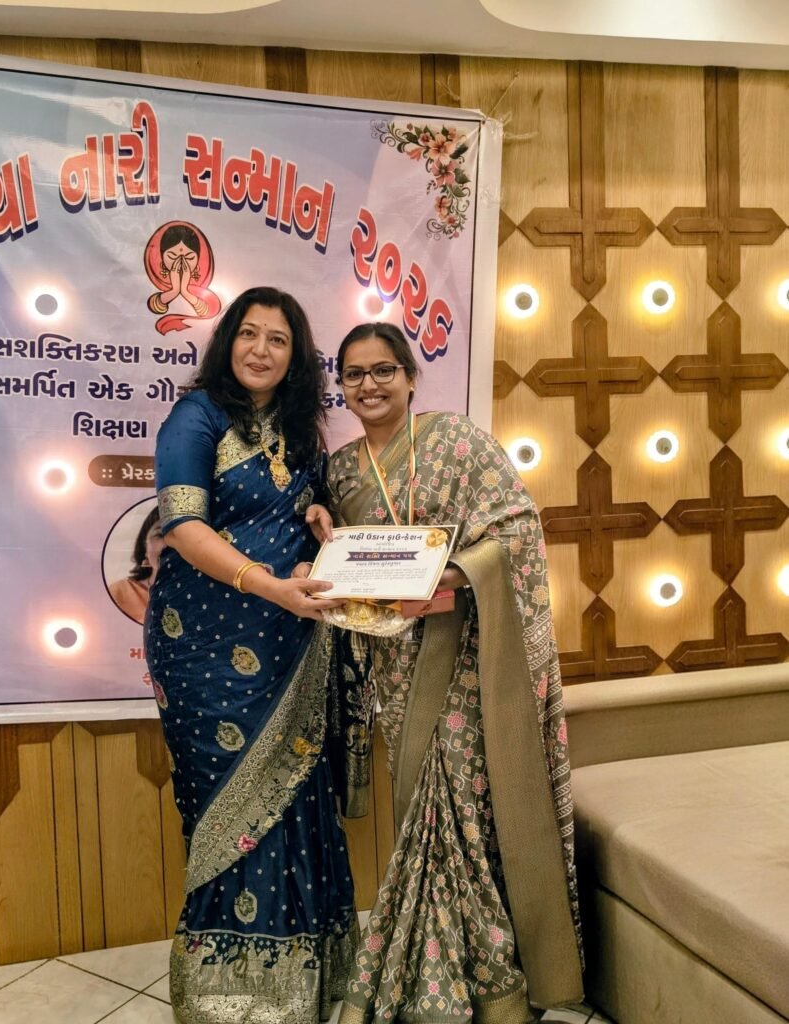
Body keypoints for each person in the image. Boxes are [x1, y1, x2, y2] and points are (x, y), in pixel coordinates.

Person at [324, 322, 584, 1024]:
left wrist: (456, 575)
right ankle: (435, 970)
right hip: (390, 660)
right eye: (354, 374)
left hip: (462, 655)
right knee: (418, 802)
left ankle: (483, 979)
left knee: (457, 808)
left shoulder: (458, 443)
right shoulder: (341, 470)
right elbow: (341, 553)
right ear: (340, 386)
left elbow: (516, 528)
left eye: (384, 370)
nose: (369, 385)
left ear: (410, 377)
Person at [146, 286, 359, 1023]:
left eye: (278, 339)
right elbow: (183, 528)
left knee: (296, 794)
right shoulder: (197, 416)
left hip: (285, 638)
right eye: (248, 333)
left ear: (295, 358)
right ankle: (227, 992)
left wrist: (316, 522)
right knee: (224, 805)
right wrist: (270, 585)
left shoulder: (299, 431)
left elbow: (300, 520)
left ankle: (303, 982)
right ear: (227, 342)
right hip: (202, 645)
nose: (260, 350)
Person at [107, 503, 164, 624]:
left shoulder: (201, 594)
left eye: (181, 536)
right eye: (160, 535)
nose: (170, 543)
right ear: (145, 546)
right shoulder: (120, 592)